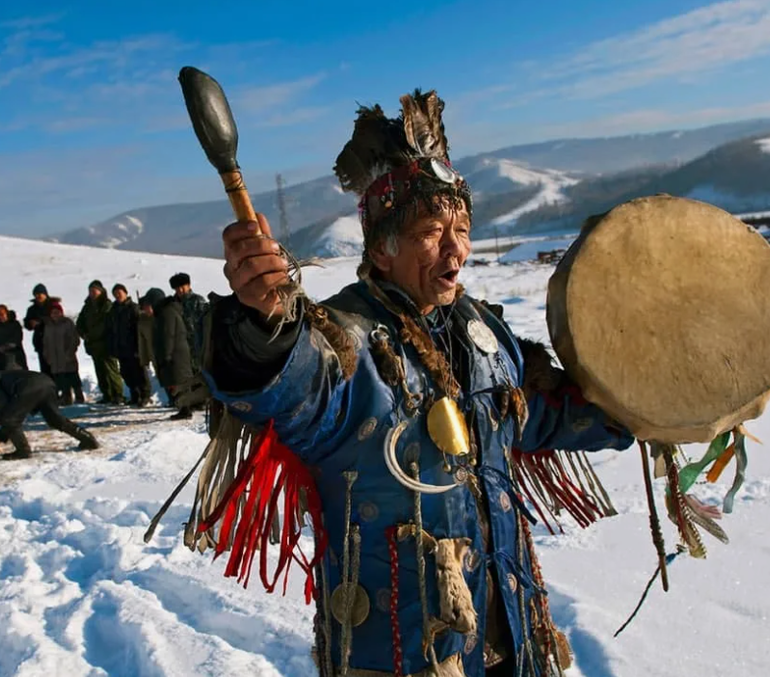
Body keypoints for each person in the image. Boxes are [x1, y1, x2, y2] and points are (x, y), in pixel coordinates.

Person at [199, 90, 634, 677]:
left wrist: (634, 410)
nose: (455, 247)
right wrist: (264, 324)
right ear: (382, 248)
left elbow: (535, 415)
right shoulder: (347, 339)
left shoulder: (483, 331)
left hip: (509, 627)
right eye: (433, 230)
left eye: (462, 227)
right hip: (405, 652)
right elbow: (296, 383)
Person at [0, 369, 100, 461]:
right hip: (47, 383)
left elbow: (7, 410)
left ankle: (23, 451)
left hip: (29, 386)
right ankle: (87, 438)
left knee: (9, 418)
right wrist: (0, 440)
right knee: (55, 419)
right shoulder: (1, 377)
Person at [140, 288, 204, 420]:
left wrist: (166, 355)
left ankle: (185, 409)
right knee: (177, 381)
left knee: (180, 381)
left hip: (176, 354)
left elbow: (168, 335)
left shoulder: (167, 312)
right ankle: (183, 408)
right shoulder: (165, 311)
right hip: (176, 352)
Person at [76, 280, 125, 405]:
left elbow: (106, 324)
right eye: (90, 291)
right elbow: (80, 323)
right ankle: (107, 394)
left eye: (95, 290)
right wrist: (84, 334)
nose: (92, 293)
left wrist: (92, 334)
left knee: (111, 370)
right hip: (93, 345)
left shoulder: (107, 305)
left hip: (106, 343)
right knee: (100, 371)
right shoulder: (87, 307)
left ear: (101, 291)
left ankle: (118, 395)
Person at [108, 284, 150, 407]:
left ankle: (145, 395)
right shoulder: (114, 309)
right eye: (115, 293)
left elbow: (139, 328)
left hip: (133, 346)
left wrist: (140, 346)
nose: (117, 295)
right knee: (126, 373)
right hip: (121, 347)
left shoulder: (133, 308)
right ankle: (135, 395)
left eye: (119, 292)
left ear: (125, 293)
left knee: (139, 372)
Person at [41, 299, 84, 404]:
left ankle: (79, 397)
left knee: (73, 377)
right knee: (61, 380)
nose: (55, 315)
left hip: (67, 356)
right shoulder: (48, 326)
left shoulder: (67, 323)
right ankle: (66, 398)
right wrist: (47, 355)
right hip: (55, 358)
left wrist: (70, 352)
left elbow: (74, 339)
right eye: (53, 313)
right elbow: (45, 342)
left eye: (57, 312)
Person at [169, 272, 209, 369]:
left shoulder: (197, 300)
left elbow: (207, 322)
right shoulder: (173, 304)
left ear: (188, 285)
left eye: (182, 286)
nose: (180, 290)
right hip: (181, 348)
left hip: (199, 345)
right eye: (177, 288)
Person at [23, 283, 52, 375]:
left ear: (45, 294)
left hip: (54, 341)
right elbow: (27, 324)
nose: (39, 296)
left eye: (41, 294)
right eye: (37, 294)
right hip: (40, 342)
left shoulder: (52, 306)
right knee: (45, 369)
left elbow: (57, 319)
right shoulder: (32, 309)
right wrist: (30, 323)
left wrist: (41, 322)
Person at [0, 304, 28, 373]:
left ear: (6, 313)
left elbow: (17, 338)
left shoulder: (15, 324)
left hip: (16, 357)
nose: (1, 316)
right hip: (0, 359)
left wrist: (7, 346)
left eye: (2, 314)